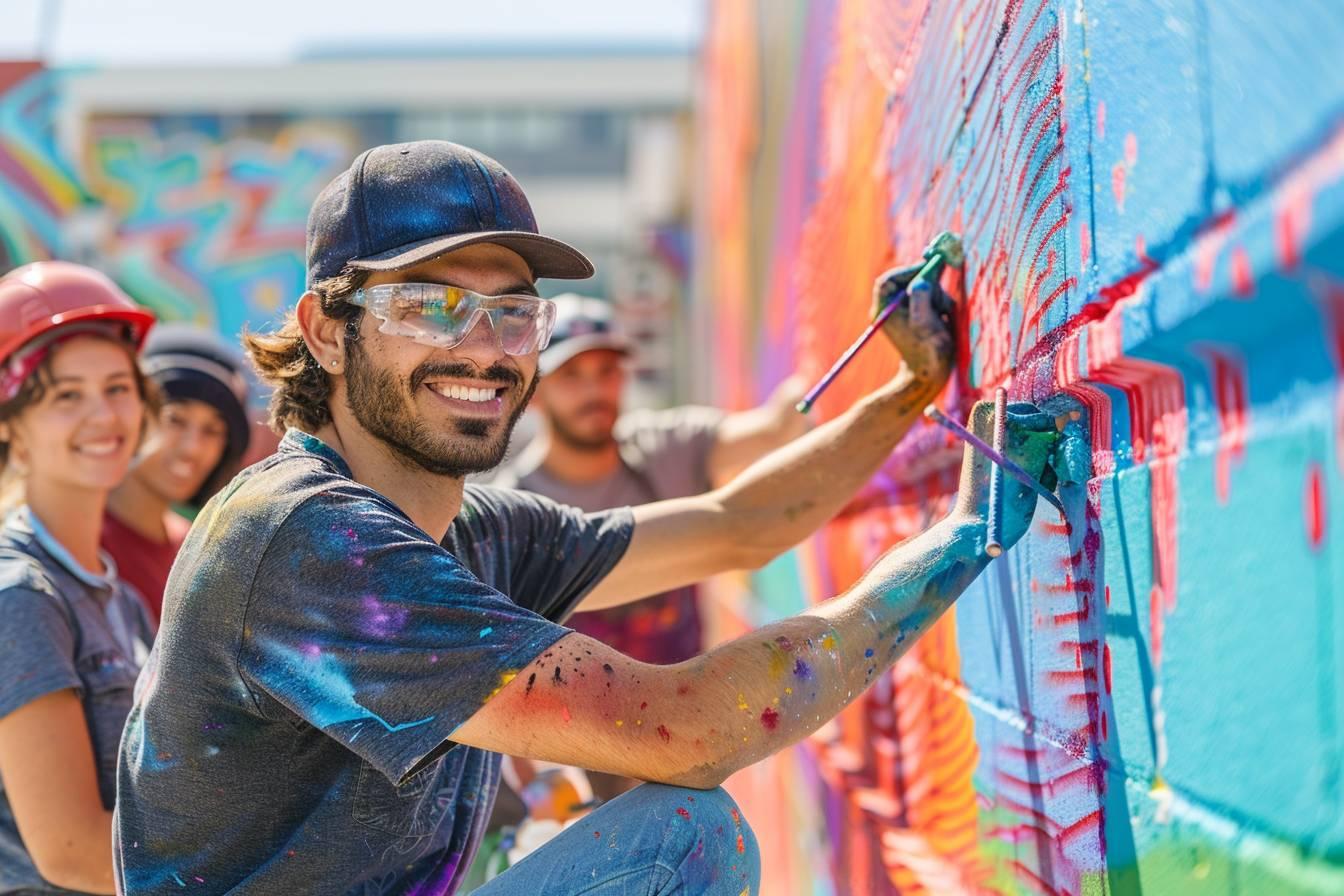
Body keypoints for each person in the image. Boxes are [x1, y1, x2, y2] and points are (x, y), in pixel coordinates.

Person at [113, 140, 1057, 895]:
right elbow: (687, 729)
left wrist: (912, 388)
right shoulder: (309, 539)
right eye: (430, 307)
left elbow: (739, 524)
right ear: (326, 329)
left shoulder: (474, 529)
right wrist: (962, 540)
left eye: (512, 314)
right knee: (682, 838)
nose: (482, 352)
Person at [495, 293, 808, 666]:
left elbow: (775, 428)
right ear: (534, 394)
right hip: (572, 722)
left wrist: (812, 382)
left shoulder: (664, 451)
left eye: (606, 371)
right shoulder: (508, 515)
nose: (594, 392)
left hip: (690, 712)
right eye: (571, 376)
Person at [0, 261, 158, 895]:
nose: (103, 416)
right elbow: (71, 852)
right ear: (10, 422)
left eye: (118, 387)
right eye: (67, 395)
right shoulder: (19, 595)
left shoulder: (123, 603)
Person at [102, 325, 252, 623]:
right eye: (175, 419)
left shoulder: (199, 550)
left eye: (213, 430)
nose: (192, 448)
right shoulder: (77, 541)